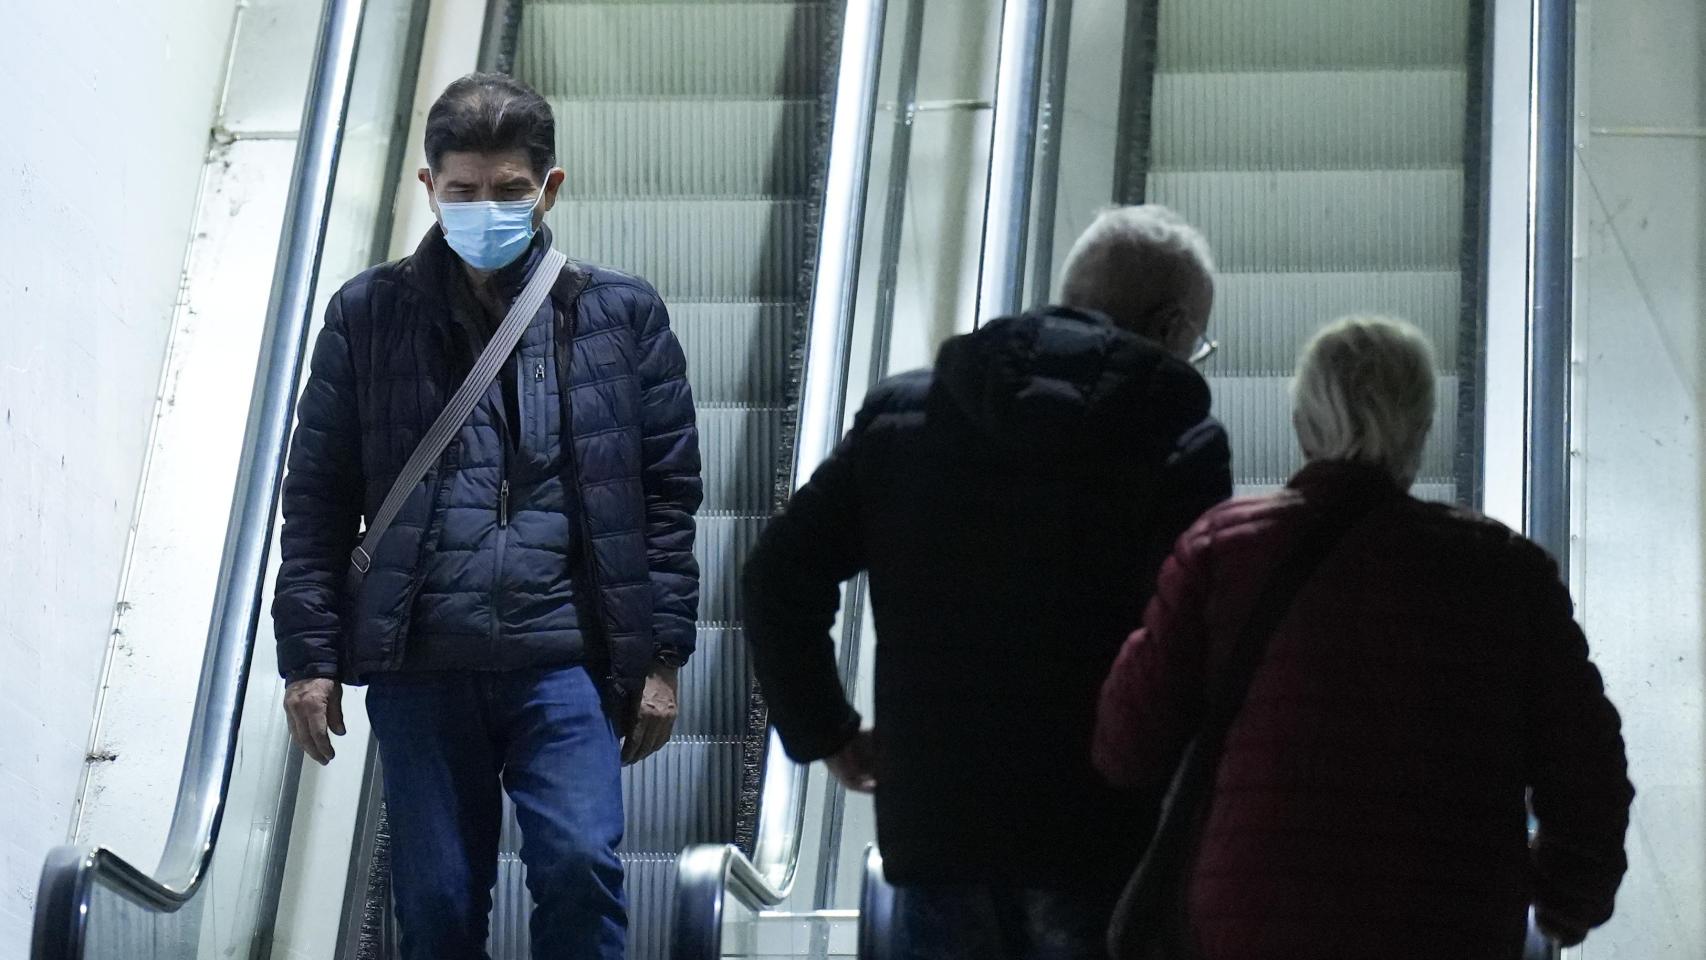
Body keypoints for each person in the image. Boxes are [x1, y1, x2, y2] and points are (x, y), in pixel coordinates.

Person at [271, 73, 702, 960]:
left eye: (508, 191)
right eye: (462, 191)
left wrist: (660, 657)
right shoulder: (367, 316)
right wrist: (309, 660)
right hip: (422, 663)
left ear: (549, 189)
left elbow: (665, 497)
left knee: (582, 869)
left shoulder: (619, 315)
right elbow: (316, 498)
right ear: (428, 189)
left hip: (566, 661)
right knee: (435, 905)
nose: (484, 209)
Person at [744, 206, 1232, 959]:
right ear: (1169, 326)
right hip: (1099, 843)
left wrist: (827, 730)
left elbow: (777, 575)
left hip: (939, 836)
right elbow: (1191, 650)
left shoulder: (907, 414)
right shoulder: (1180, 444)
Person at [1093, 316, 1634, 959]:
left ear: (1300, 424)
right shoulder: (1509, 572)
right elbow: (1589, 770)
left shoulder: (1224, 551)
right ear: (1423, 431)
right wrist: (1567, 899)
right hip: (1450, 928)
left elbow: (1125, 748)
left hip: (1253, 923)